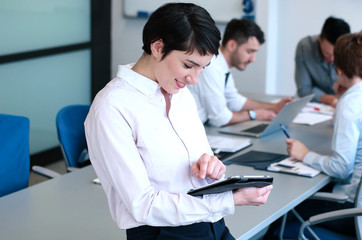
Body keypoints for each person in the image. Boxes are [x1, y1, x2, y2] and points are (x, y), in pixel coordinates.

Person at [84, 3, 273, 240]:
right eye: (188, 65)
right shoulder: (112, 107)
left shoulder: (180, 93)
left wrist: (210, 166)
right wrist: (229, 199)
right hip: (163, 233)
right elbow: (143, 206)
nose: (194, 79)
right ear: (157, 47)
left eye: (202, 69)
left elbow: (197, 164)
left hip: (212, 225)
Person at [285, 33, 362, 235]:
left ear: (338, 70)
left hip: (351, 209)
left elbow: (341, 168)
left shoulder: (349, 106)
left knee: (286, 208)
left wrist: (304, 154)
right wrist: (342, 97)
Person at [188, 18, 293, 127]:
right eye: (249, 52)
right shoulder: (211, 67)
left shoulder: (222, 66)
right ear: (232, 45)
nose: (253, 59)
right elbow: (220, 119)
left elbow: (235, 101)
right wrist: (254, 115)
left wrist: (273, 107)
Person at [294, 16, 350, 107]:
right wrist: (330, 99)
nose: (332, 59)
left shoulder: (352, 51)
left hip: (343, 103)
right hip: (313, 105)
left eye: (336, 55)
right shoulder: (305, 48)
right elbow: (303, 89)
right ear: (320, 38)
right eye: (327, 53)